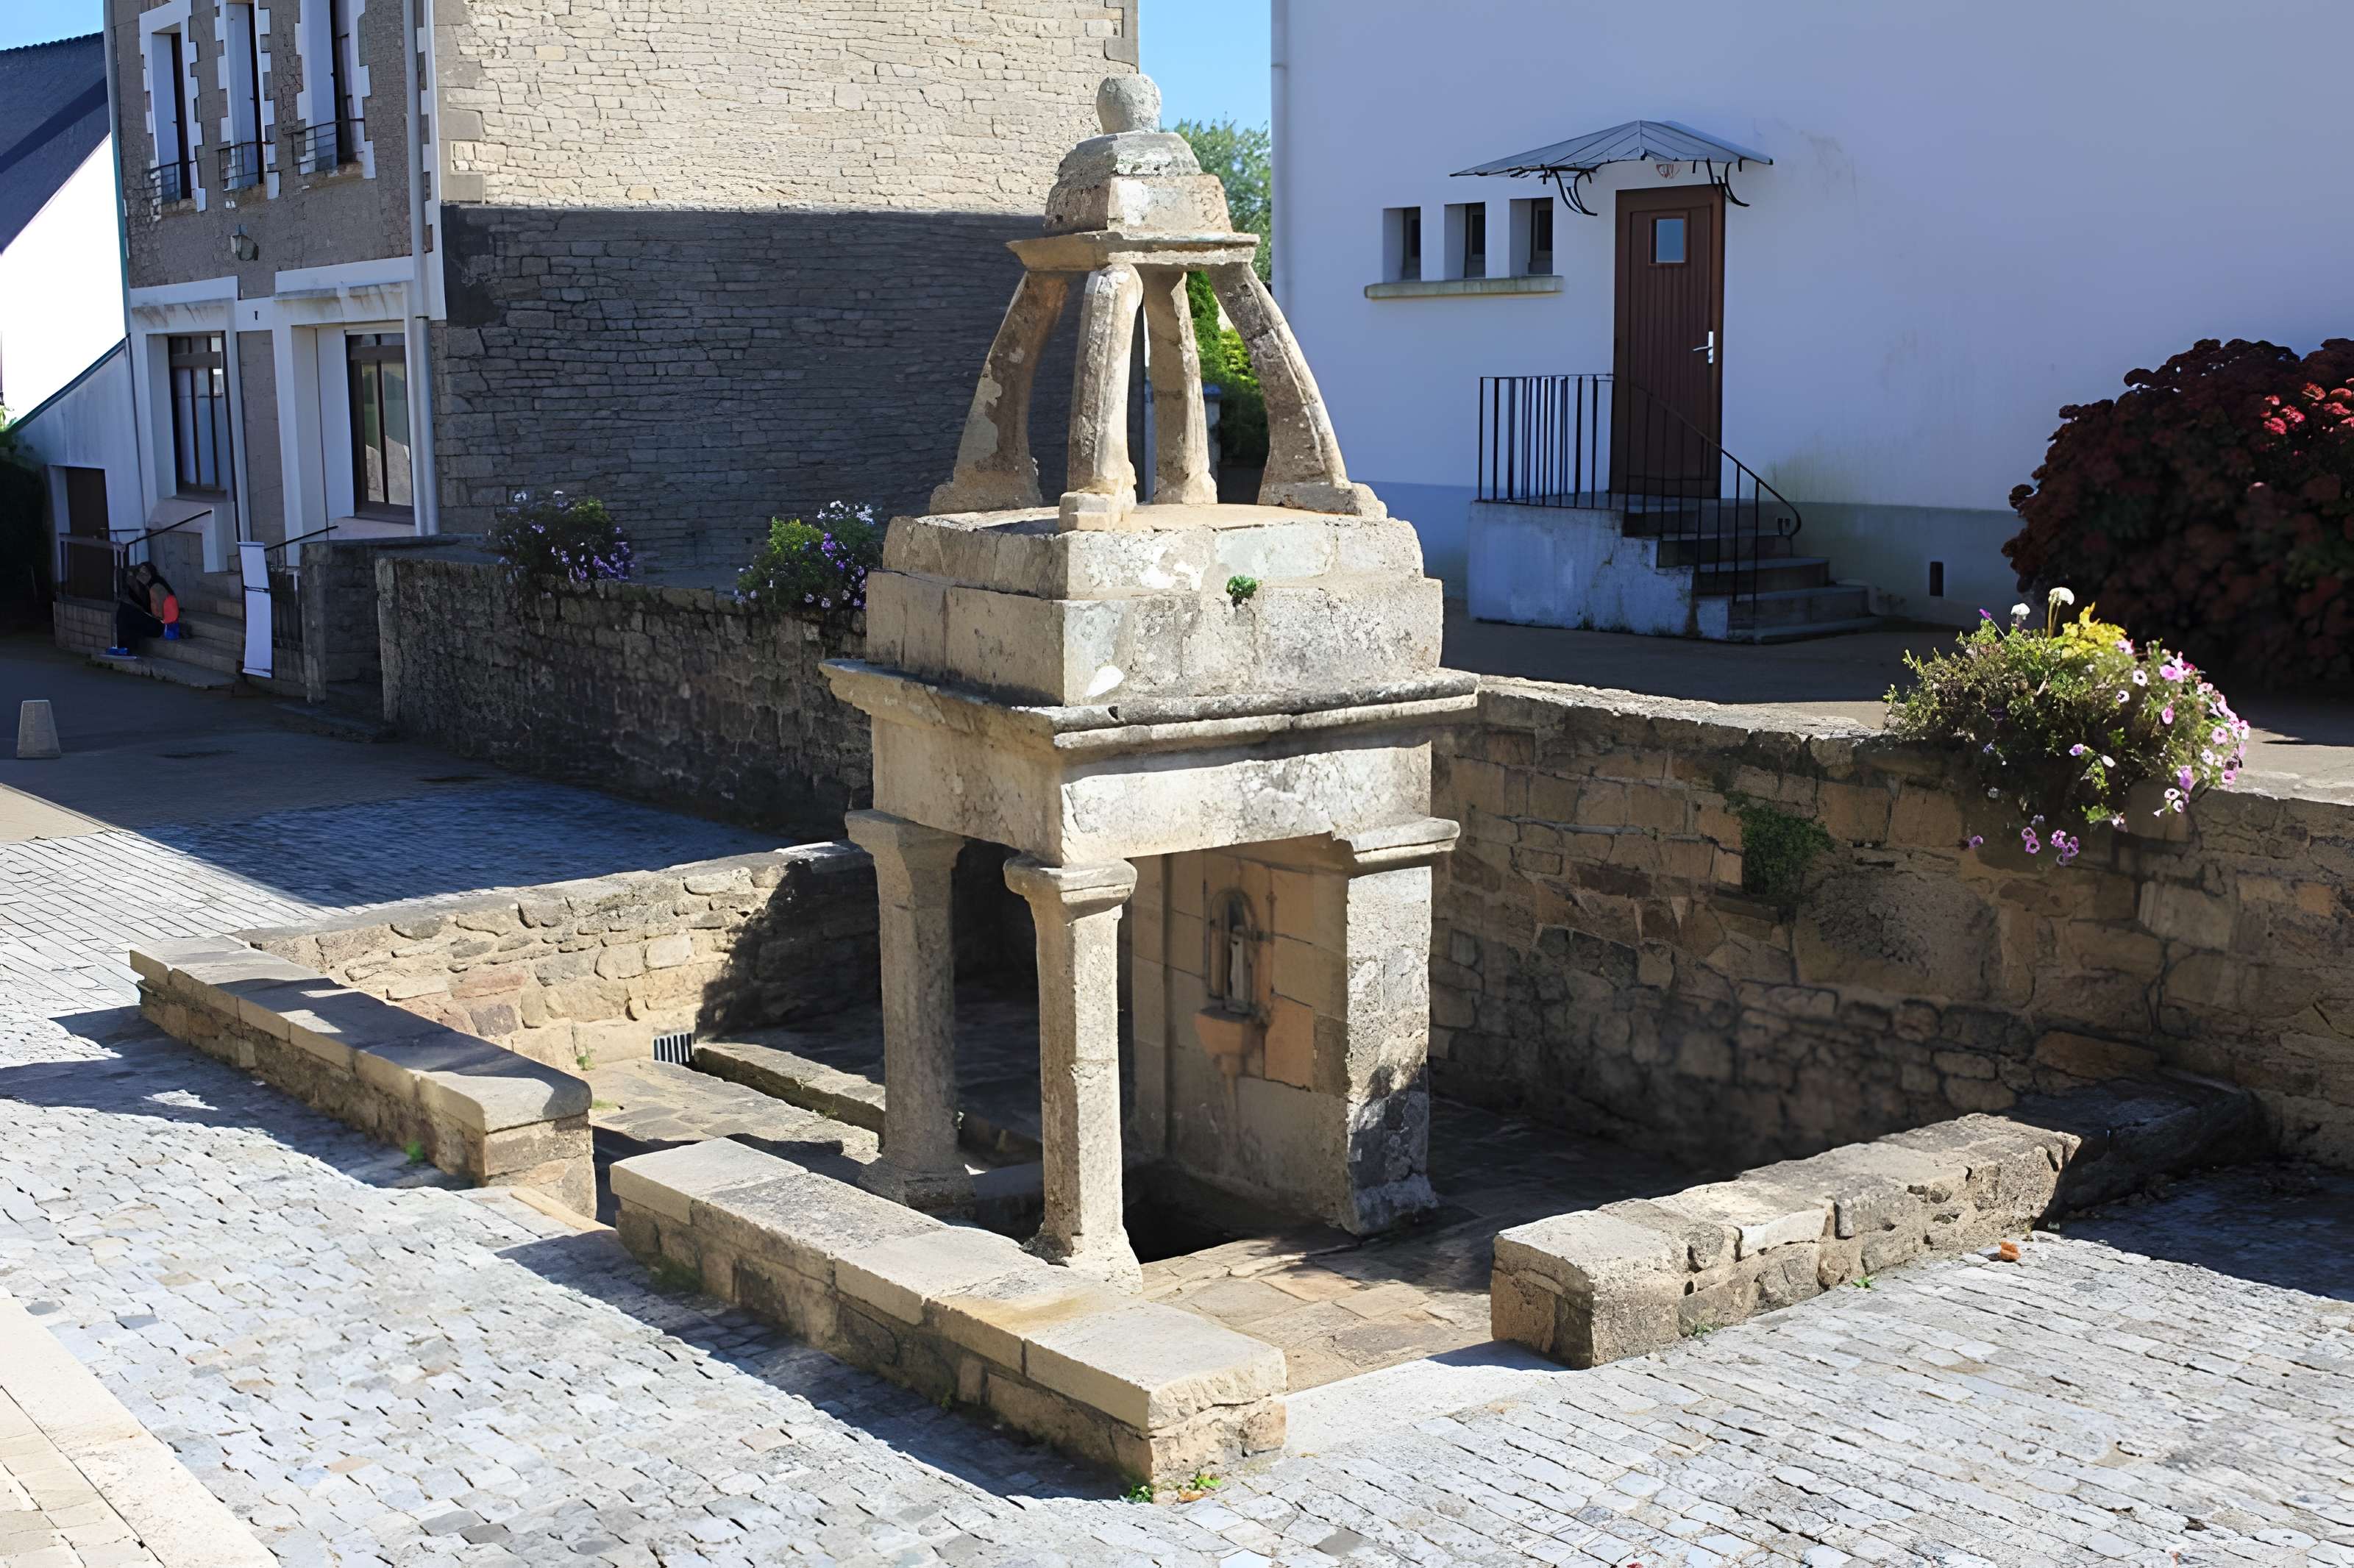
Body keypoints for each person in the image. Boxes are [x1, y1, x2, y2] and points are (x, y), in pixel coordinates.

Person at [104, 561, 179, 657]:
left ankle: (125, 648)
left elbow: (159, 615)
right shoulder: (141, 590)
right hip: (155, 622)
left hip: (161, 627)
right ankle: (123, 647)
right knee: (125, 611)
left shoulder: (156, 586)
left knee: (128, 613)